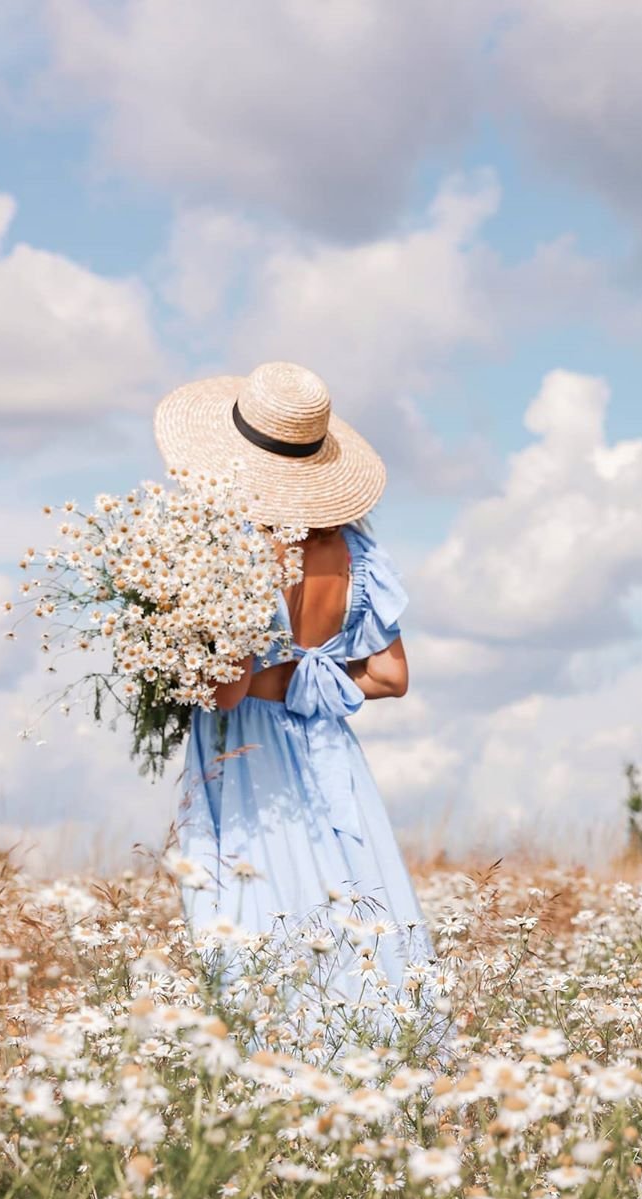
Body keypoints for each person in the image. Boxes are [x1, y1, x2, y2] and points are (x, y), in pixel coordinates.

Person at [153, 360, 441, 1022]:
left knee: (256, 914)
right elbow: (392, 676)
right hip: (329, 751)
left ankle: (278, 1072)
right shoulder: (359, 553)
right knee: (352, 905)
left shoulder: (235, 553)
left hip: (248, 755)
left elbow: (226, 693)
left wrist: (256, 674)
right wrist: (310, 680)